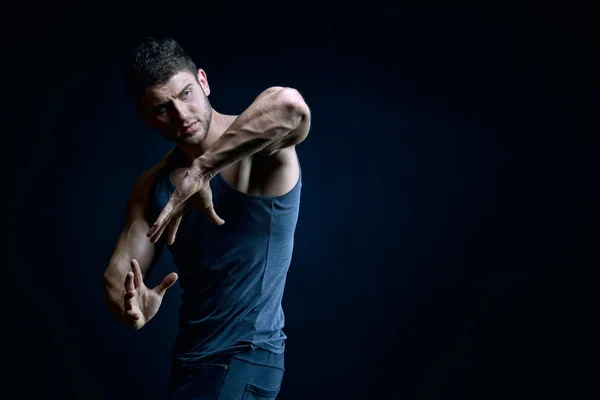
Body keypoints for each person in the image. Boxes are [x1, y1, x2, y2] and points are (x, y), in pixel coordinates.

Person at [102, 36, 311, 399]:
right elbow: (120, 269)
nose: (181, 115)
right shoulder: (152, 184)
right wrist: (129, 303)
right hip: (190, 361)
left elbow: (290, 105)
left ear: (203, 81)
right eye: (163, 108)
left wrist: (202, 171)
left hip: (246, 357)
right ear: (146, 118)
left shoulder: (260, 150)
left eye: (185, 94)